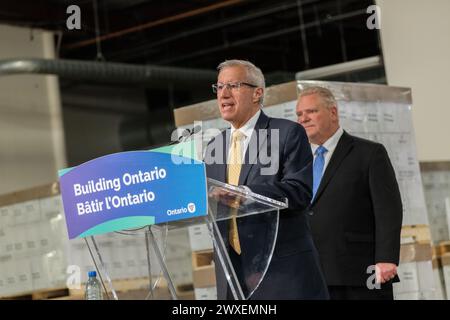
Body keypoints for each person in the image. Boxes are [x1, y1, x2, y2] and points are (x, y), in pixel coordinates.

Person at [204, 60, 328, 300]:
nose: (224, 94)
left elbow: (299, 191)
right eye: (219, 87)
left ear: (257, 93)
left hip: (281, 273)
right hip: (233, 277)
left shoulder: (287, 133)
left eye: (233, 85)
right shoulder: (215, 145)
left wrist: (246, 194)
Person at [296, 86, 403, 300]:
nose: (303, 119)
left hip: (360, 271)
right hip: (312, 274)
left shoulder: (369, 153)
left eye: (311, 111)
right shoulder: (297, 162)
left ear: (333, 112)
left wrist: (387, 258)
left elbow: (388, 209)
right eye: (299, 114)